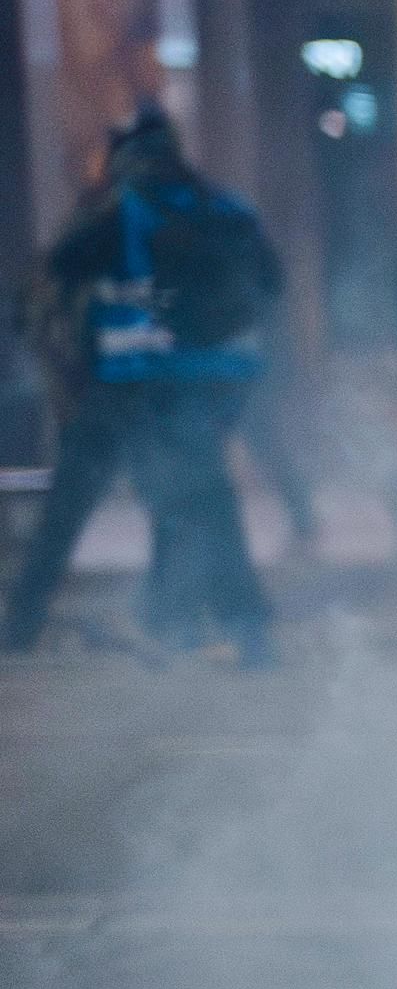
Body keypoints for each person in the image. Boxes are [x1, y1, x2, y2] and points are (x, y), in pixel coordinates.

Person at [2, 109, 283, 664]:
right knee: (205, 506)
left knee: (67, 513)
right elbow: (272, 283)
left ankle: (19, 631)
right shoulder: (231, 208)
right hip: (214, 382)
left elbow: (55, 270)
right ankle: (242, 635)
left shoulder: (121, 212)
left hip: (128, 385)